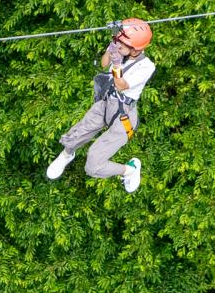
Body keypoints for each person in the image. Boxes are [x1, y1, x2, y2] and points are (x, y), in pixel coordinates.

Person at [46, 17, 155, 192]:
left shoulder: (146, 67)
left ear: (135, 50)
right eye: (117, 41)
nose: (118, 46)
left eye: (122, 44)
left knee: (93, 165)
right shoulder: (120, 45)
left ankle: (130, 170)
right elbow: (105, 64)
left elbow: (121, 85)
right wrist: (112, 49)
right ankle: (67, 155)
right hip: (106, 102)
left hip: (123, 114)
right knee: (77, 134)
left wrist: (118, 63)